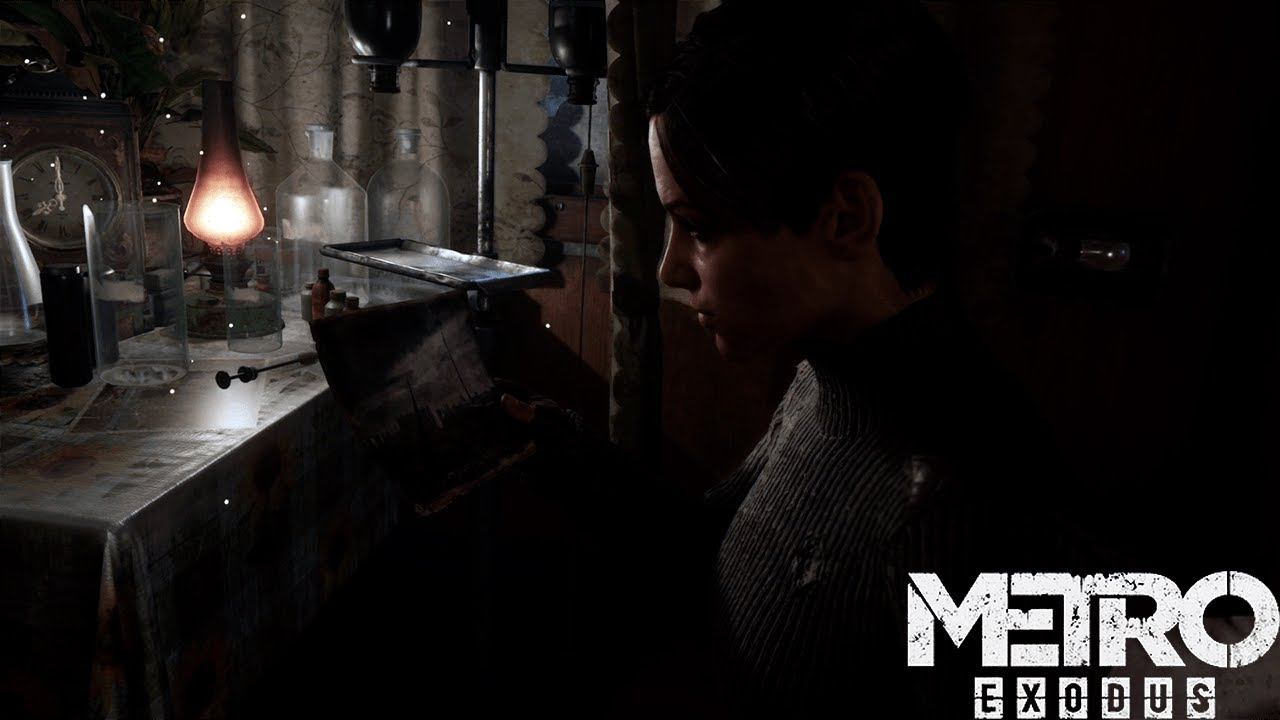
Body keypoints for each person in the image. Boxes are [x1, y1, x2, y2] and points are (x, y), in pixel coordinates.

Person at [504, 1, 1098, 716]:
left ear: (846, 217)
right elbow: (720, 555)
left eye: (698, 228)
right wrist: (562, 454)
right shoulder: (831, 374)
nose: (669, 269)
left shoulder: (968, 502)